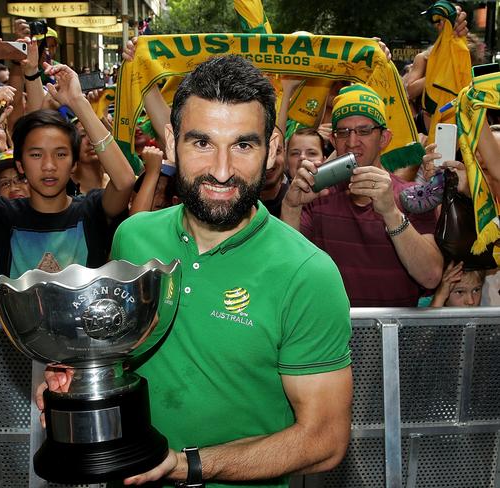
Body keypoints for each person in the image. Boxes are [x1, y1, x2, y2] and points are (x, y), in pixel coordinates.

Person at [39, 55, 353, 488]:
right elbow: (118, 351)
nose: (221, 171)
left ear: (273, 149)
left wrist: (186, 464)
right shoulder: (133, 238)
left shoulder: (307, 274)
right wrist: (78, 383)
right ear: (170, 143)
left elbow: (324, 440)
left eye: (243, 145)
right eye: (201, 143)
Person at [0, 64, 135, 279]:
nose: (49, 165)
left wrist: (79, 103)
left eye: (61, 154)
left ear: (74, 163)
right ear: (20, 165)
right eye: (36, 155)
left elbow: (124, 181)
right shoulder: (3, 214)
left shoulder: (91, 209)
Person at [281, 83, 443, 307]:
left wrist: (391, 213)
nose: (352, 142)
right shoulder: (317, 196)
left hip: (395, 337)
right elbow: (287, 270)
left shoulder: (412, 196)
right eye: (343, 132)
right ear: (333, 140)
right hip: (332, 336)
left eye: (364, 131)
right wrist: (290, 207)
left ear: (384, 139)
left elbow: (431, 276)